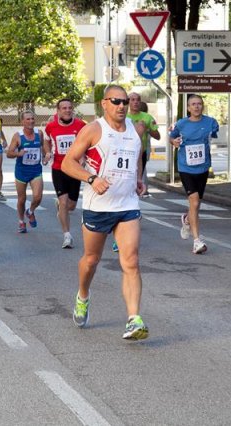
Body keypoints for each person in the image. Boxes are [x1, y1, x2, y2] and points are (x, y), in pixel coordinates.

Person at [62, 84, 149, 340]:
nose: (121, 106)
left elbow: (136, 155)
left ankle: (134, 319)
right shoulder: (93, 130)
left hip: (127, 205)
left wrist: (138, 178)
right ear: (104, 103)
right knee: (91, 261)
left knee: (131, 261)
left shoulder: (137, 129)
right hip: (98, 206)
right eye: (116, 101)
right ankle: (83, 295)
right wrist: (90, 179)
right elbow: (68, 163)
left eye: (124, 102)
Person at [169, 94, 219, 254]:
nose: (196, 106)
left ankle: (186, 218)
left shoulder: (210, 122)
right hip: (185, 167)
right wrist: (174, 141)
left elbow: (215, 134)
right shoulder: (181, 124)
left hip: (203, 168)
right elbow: (171, 137)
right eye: (193, 104)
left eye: (199, 103)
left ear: (202, 106)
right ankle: (197, 241)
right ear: (188, 108)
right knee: (195, 202)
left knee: (195, 205)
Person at [44, 98, 86, 248]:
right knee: (63, 201)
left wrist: (83, 156)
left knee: (72, 206)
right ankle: (67, 236)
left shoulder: (81, 125)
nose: (67, 110)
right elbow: (46, 140)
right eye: (64, 108)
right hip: (59, 168)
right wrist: (48, 152)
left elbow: (87, 142)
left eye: (70, 108)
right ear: (58, 111)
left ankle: (61, 207)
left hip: (74, 169)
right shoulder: (51, 126)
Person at [7, 111, 50, 233]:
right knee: (21, 199)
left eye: (32, 119)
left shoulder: (39, 133)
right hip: (21, 171)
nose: (31, 121)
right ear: (23, 122)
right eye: (28, 119)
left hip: (36, 170)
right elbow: (9, 153)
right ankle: (21, 222)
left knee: (38, 197)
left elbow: (44, 145)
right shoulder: (17, 136)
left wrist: (47, 153)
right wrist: (17, 153)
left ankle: (30, 211)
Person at [127, 92, 160, 198]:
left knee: (138, 177)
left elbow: (158, 136)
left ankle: (136, 195)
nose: (135, 102)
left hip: (142, 152)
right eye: (132, 100)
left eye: (137, 100)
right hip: (126, 152)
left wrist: (147, 129)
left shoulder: (147, 117)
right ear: (128, 102)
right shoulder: (123, 117)